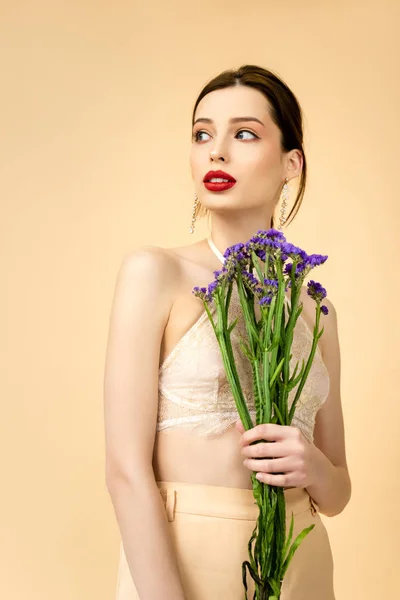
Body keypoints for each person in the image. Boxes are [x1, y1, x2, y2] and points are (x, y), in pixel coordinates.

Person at [104, 64, 351, 600]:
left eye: (244, 133)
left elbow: (337, 492)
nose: (216, 151)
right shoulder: (156, 273)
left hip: (301, 560)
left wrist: (311, 465)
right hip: (181, 563)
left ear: (292, 163)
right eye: (201, 133)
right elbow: (126, 471)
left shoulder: (315, 306)